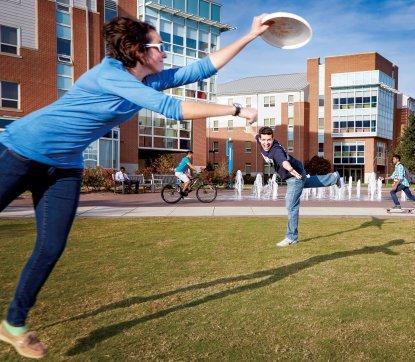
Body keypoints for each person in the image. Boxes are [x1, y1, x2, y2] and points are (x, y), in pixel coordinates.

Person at [0, 15, 271, 359]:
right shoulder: (110, 75)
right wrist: (234, 108)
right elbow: (172, 108)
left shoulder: (148, 80)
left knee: (51, 247)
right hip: (21, 150)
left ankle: (14, 323)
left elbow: (201, 69)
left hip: (65, 166)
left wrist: (249, 35)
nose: (165, 54)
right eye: (160, 47)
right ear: (137, 51)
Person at [245, 125, 343, 247]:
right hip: (298, 171)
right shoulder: (261, 142)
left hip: (294, 176)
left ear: (273, 138)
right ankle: (334, 177)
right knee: (307, 182)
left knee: (291, 205)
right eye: (264, 140)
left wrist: (290, 169)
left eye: (269, 140)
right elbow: (255, 135)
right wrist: (250, 130)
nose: (266, 143)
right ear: (260, 139)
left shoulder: (276, 150)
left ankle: (291, 237)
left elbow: (283, 161)